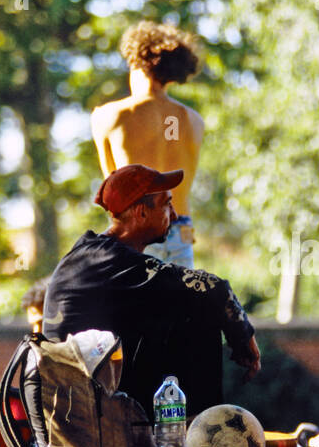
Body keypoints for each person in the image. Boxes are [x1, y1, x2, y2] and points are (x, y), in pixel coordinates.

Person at [41, 164, 260, 418]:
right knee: (200, 316)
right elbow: (213, 287)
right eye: (167, 204)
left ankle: (199, 430)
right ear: (142, 213)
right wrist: (245, 340)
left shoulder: (95, 252)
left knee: (182, 307)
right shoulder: (112, 259)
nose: (175, 216)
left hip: (83, 394)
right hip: (84, 406)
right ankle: (204, 433)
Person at [90, 21, 204, 268]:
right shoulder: (193, 120)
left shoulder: (110, 116)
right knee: (180, 306)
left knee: (137, 307)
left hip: (137, 232)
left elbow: (112, 190)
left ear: (137, 64)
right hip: (181, 229)